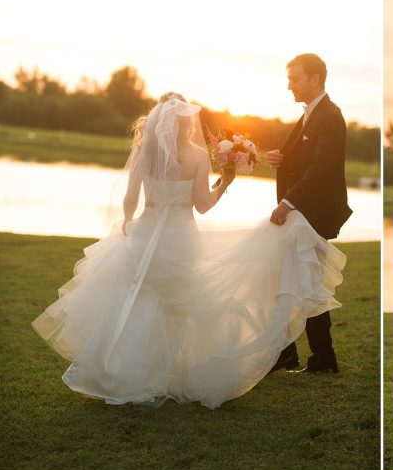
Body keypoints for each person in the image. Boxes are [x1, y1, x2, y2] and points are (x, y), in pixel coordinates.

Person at [32, 92, 346, 409]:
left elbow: (131, 196)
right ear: (187, 120)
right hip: (181, 236)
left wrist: (128, 222)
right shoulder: (196, 155)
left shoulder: (145, 149)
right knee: (178, 307)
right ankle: (170, 372)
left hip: (145, 231)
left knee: (139, 298)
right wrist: (224, 183)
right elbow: (203, 205)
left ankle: (124, 372)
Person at [266, 53, 353, 374]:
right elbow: (305, 158)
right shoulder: (310, 116)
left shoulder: (330, 116)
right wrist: (281, 158)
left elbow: (323, 166)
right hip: (302, 214)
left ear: (315, 79)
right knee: (296, 282)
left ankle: (314, 356)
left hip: (311, 214)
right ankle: (311, 356)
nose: (289, 86)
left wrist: (288, 202)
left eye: (295, 79)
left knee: (305, 284)